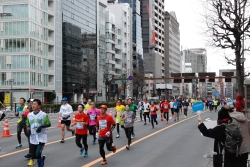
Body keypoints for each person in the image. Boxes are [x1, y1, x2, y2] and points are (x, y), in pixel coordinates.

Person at [26, 99, 51, 167]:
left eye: (35, 104)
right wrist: (28, 131)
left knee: (37, 154)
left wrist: (42, 126)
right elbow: (28, 125)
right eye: (32, 104)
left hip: (41, 137)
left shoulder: (43, 115)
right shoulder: (29, 115)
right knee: (33, 155)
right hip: (33, 137)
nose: (33, 105)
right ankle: (42, 159)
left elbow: (49, 124)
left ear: (39, 106)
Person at [24, 99, 35, 165]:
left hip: (36, 130)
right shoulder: (27, 111)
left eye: (31, 103)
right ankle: (30, 153)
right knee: (30, 142)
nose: (30, 104)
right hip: (29, 129)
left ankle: (32, 154)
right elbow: (24, 117)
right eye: (29, 103)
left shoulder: (38, 111)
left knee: (34, 143)